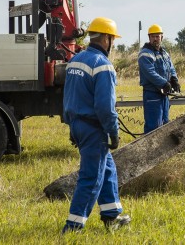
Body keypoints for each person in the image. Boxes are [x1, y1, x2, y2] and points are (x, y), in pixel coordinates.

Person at [61, 17, 131, 233]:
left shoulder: (76, 60)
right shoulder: (103, 66)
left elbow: (68, 97)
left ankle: (111, 215)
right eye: (113, 39)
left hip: (78, 124)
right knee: (91, 177)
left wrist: (72, 126)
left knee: (107, 168)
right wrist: (114, 132)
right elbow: (105, 107)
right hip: (94, 128)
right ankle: (73, 226)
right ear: (107, 39)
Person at [138, 24, 180, 133]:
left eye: (158, 36)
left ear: (162, 37)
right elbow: (150, 72)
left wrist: (174, 79)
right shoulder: (145, 54)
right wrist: (164, 83)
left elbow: (171, 67)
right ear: (149, 38)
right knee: (154, 127)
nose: (155, 39)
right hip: (152, 94)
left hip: (163, 94)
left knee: (165, 123)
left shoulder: (164, 53)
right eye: (153, 36)